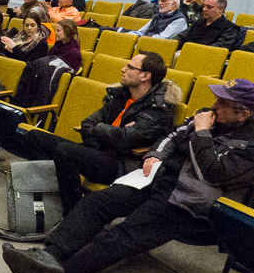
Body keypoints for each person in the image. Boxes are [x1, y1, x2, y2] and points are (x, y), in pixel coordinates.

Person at [2, 78, 254, 273]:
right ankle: (49, 255)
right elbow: (172, 136)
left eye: (222, 102)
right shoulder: (212, 118)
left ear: (243, 113)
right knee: (97, 203)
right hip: (161, 180)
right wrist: (156, 154)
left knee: (119, 237)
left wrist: (202, 133)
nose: (214, 105)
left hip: (188, 205)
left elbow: (214, 174)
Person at [19, 51, 176, 212]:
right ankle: (53, 195)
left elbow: (125, 139)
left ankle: (73, 211)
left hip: (119, 164)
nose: (123, 69)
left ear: (145, 76)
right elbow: (88, 123)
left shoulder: (158, 109)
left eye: (130, 67)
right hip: (99, 151)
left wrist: (100, 129)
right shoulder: (121, 95)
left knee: (65, 151)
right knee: (34, 137)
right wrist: (103, 134)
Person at [120, 0, 188, 39]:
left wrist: (142, 39)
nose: (159, 4)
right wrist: (126, 36)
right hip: (146, 41)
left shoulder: (179, 20)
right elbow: (141, 32)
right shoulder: (159, 16)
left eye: (163, 1)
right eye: (159, 1)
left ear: (174, 4)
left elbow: (162, 38)